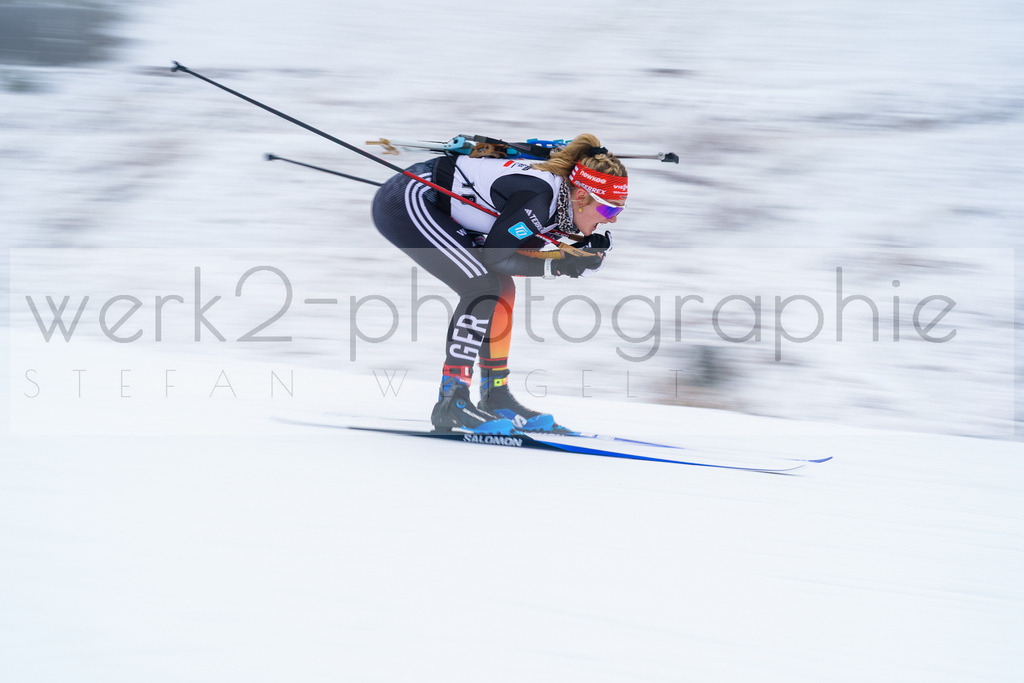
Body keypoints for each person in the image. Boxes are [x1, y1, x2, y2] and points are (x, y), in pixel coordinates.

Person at [371, 133, 627, 434]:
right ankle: (451, 400)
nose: (613, 220)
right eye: (610, 209)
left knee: (502, 288)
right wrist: (559, 265)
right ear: (581, 196)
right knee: (482, 287)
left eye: (619, 211)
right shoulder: (540, 200)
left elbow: (513, 250)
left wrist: (567, 257)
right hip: (411, 198)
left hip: (442, 207)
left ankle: (495, 397)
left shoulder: (561, 206)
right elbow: (497, 257)